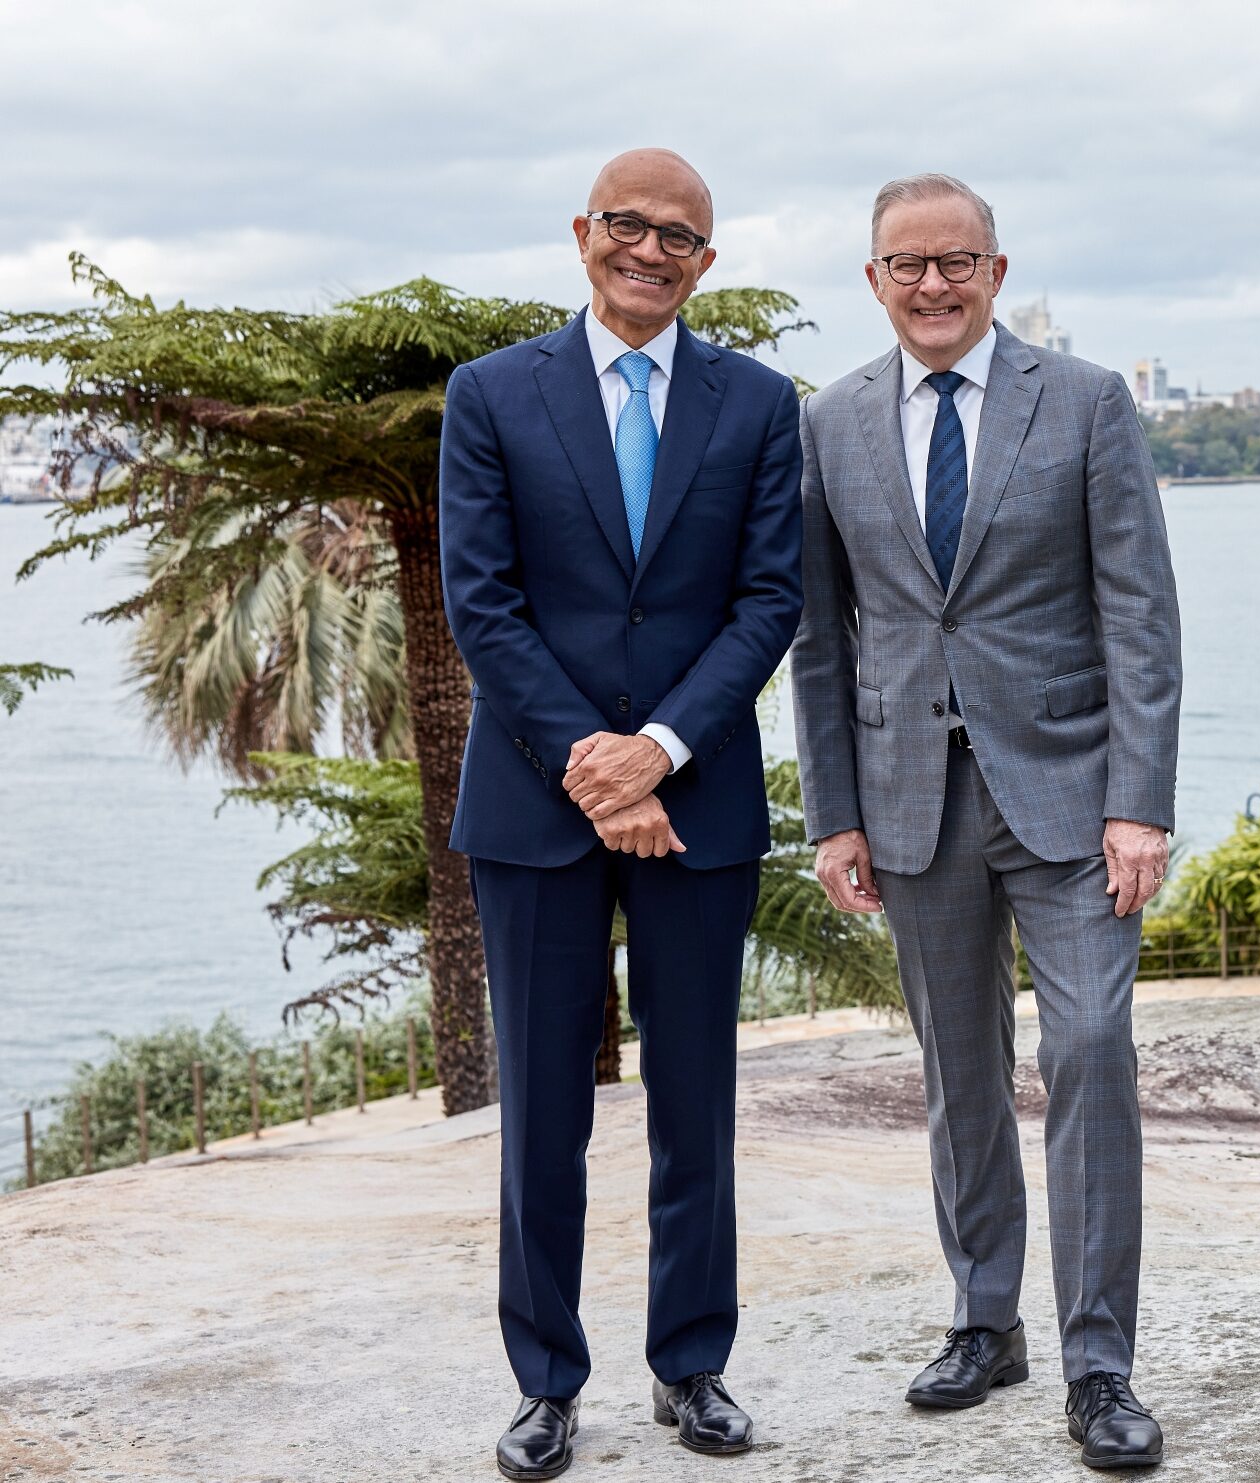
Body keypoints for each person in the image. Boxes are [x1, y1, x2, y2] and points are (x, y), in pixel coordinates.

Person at [790, 173, 1181, 1470]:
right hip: (911, 802)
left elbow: (1140, 615)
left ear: (997, 273)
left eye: (957, 262)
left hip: (1074, 801)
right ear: (874, 281)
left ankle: (1100, 1360)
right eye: (908, 265)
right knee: (959, 1075)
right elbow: (822, 640)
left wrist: (1140, 803)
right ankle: (983, 1321)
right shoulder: (831, 423)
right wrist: (835, 811)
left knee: (1088, 1052)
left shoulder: (1083, 404)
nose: (934, 286)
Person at [438, 148, 804, 1481]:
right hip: (533, 813)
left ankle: (691, 1365)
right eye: (629, 227)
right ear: (583, 233)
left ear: (708, 262)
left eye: (681, 238)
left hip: (697, 800)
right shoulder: (490, 396)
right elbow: (482, 602)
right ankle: (545, 1381)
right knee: (543, 1110)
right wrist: (593, 766)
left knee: (695, 1101)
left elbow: (769, 601)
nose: (651, 251)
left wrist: (654, 753)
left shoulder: (761, 406)